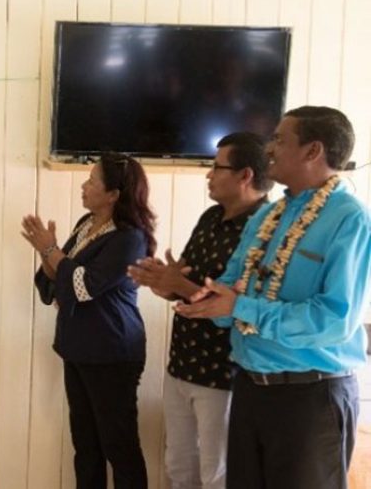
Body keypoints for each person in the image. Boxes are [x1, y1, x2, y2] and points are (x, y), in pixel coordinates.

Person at [175, 106, 371, 489]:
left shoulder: (350, 218)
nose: (270, 148)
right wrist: (208, 297)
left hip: (311, 397)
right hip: (250, 387)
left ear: (313, 151)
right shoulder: (269, 217)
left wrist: (239, 306)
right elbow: (234, 284)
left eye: (280, 139)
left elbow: (333, 320)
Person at [127, 133, 271, 489]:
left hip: (224, 373)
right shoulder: (210, 217)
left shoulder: (268, 228)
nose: (208, 175)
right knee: (178, 466)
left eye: (216, 167)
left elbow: (236, 302)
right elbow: (186, 282)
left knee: (218, 472)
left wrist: (179, 285)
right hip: (182, 364)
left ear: (245, 175)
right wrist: (161, 282)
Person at [23, 152, 156, 489]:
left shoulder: (130, 237)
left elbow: (83, 285)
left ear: (113, 194)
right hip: (79, 348)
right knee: (86, 446)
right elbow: (61, 274)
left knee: (119, 446)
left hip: (112, 353)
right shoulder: (87, 224)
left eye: (93, 181)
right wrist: (48, 252)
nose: (84, 186)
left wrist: (51, 250)